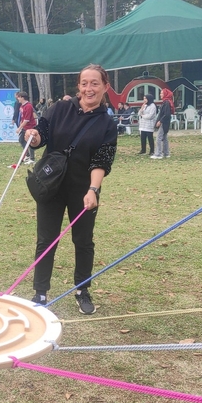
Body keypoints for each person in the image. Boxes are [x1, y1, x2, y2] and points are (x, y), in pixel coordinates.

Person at [23, 64, 117, 314]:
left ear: (105, 87)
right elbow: (42, 133)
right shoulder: (60, 108)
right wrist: (34, 136)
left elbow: (102, 160)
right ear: (78, 86)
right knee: (46, 240)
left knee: (83, 241)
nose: (89, 88)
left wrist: (93, 190)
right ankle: (40, 293)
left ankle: (82, 290)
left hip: (83, 190)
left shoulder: (106, 123)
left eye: (95, 83)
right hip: (51, 185)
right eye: (84, 83)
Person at [151, 88, 174, 159]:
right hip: (165, 122)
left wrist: (160, 121)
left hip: (164, 122)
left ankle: (158, 154)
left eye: (161, 93)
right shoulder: (167, 102)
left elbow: (166, 114)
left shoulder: (166, 102)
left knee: (159, 137)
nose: (160, 94)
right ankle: (166, 153)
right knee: (164, 137)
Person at [15, 91, 36, 164]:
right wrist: (20, 124)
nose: (18, 98)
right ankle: (27, 155)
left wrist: (19, 128)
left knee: (30, 142)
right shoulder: (21, 106)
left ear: (22, 97)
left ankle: (32, 159)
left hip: (30, 127)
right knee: (21, 140)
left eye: (19, 97)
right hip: (25, 127)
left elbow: (27, 120)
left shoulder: (28, 106)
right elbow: (22, 117)